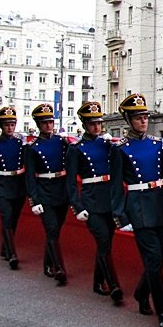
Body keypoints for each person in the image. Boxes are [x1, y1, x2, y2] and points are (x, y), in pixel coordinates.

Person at [111, 93, 163, 327]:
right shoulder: (120, 150)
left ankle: (141, 292)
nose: (143, 121)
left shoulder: (156, 144)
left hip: (159, 203)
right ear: (128, 120)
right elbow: (116, 185)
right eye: (138, 117)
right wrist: (120, 215)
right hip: (138, 207)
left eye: (145, 116)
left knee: (160, 259)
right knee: (154, 262)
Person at [66, 101, 123, 304]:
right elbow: (71, 182)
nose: (97, 127)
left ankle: (97, 282)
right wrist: (77, 206)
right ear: (84, 124)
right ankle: (114, 284)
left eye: (99, 123)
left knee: (106, 242)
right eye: (92, 124)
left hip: (108, 199)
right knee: (103, 242)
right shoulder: (76, 149)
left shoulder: (108, 145)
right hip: (91, 201)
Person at [24, 103, 70, 285]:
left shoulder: (62, 142)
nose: (48, 125)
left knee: (55, 230)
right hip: (44, 191)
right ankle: (59, 268)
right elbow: (30, 177)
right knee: (51, 228)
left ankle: (47, 263)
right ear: (38, 125)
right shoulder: (32, 147)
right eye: (44, 123)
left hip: (61, 190)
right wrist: (34, 200)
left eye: (50, 122)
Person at [0, 106, 26, 270]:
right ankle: (12, 254)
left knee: (14, 218)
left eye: (12, 124)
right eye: (7, 125)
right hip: (2, 184)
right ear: (1, 126)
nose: (10, 128)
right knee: (6, 217)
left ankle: (5, 247)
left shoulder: (20, 144)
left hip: (18, 184)